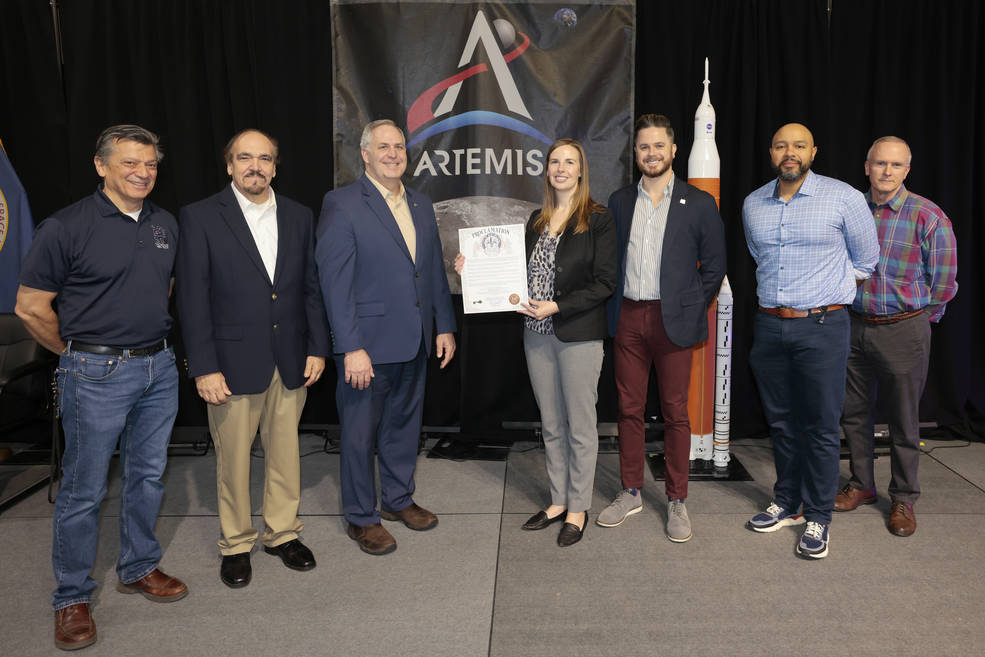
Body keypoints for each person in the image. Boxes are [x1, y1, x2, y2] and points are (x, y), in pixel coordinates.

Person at [15, 124, 187, 651]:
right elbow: (30, 307)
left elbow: (166, 287)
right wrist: (73, 355)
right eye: (130, 163)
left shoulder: (165, 223)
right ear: (101, 166)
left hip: (158, 369)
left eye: (151, 164)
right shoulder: (65, 227)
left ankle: (138, 565)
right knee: (84, 490)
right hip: (93, 375)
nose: (142, 173)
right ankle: (71, 597)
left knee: (148, 475)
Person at [176, 129, 329, 587]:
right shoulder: (200, 217)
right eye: (245, 158)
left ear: (276, 167)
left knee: (287, 453)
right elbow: (192, 299)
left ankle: (282, 534)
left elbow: (311, 289)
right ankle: (236, 543)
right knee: (233, 461)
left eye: (264, 159)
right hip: (229, 364)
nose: (255, 167)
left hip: (291, 359)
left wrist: (318, 347)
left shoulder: (300, 216)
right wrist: (203, 365)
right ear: (229, 165)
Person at [460, 138, 617, 547]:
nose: (561, 168)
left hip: (578, 334)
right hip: (536, 336)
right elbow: (510, 273)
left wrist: (557, 306)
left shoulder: (598, 219)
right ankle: (558, 500)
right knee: (550, 424)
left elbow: (605, 283)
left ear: (581, 170)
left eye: (569, 162)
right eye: (554, 161)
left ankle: (579, 507)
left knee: (580, 426)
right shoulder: (535, 220)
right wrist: (472, 265)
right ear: (546, 170)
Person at [316, 119, 456, 556]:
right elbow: (334, 283)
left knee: (403, 425)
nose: (393, 154)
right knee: (359, 433)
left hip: (414, 338)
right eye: (384, 147)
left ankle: (397, 500)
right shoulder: (341, 204)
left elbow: (430, 271)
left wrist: (445, 325)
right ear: (365, 154)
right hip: (366, 347)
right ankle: (362, 517)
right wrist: (350, 347)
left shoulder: (419, 203)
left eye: (399, 146)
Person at [742, 122, 879, 559]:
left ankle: (819, 515)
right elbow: (758, 255)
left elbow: (866, 261)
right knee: (781, 422)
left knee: (820, 425)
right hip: (769, 325)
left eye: (798, 145)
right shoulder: (753, 203)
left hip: (822, 326)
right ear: (771, 153)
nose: (790, 152)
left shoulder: (844, 198)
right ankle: (787, 502)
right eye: (782, 145)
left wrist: (826, 295)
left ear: (813, 152)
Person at [597, 114, 726, 542]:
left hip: (675, 320)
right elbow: (608, 262)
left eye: (658, 146)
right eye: (643, 147)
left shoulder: (699, 203)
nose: (651, 153)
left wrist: (689, 309)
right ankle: (631, 490)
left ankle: (676, 499)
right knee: (629, 409)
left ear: (673, 150)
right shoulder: (618, 201)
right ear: (635, 154)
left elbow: (715, 267)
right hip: (629, 317)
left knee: (675, 413)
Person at [836, 136, 958, 536]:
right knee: (853, 414)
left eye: (895, 165)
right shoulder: (850, 209)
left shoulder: (928, 217)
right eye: (879, 164)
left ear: (907, 170)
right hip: (853, 325)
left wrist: (920, 321)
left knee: (904, 421)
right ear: (866, 167)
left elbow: (943, 283)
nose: (886, 172)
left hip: (903, 328)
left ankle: (904, 497)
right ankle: (862, 484)